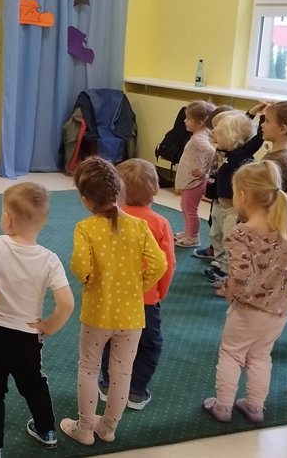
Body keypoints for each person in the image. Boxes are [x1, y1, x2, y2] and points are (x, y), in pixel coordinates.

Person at [60, 156, 167, 446]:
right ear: (119, 192)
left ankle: (84, 428)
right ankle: (107, 428)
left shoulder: (86, 228)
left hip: (97, 314)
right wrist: (140, 286)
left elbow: (79, 264)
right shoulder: (139, 226)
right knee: (122, 372)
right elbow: (159, 264)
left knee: (89, 368)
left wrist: (89, 280)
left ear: (85, 199)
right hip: (132, 316)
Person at [203, 161, 287, 424]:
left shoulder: (239, 234)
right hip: (278, 309)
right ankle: (255, 407)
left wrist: (229, 291)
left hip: (247, 311)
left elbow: (241, 278)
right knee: (260, 356)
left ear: (243, 195)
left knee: (232, 353)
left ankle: (223, 406)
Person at [0, 182, 74, 458]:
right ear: (43, 220)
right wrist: (49, 326)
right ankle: (47, 431)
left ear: (7, 218)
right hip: (27, 338)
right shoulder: (49, 260)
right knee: (34, 383)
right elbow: (66, 303)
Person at [98, 159, 176, 411]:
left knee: (111, 341)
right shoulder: (160, 224)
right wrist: (160, 292)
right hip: (146, 299)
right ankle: (135, 390)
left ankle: (108, 385)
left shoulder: (107, 219)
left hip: (111, 298)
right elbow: (166, 263)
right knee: (149, 344)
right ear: (156, 189)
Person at [200, 111, 256, 284]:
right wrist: (251, 113)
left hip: (232, 210)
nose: (214, 133)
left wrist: (261, 124)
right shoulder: (224, 151)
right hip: (219, 205)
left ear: (232, 138)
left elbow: (252, 141)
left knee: (229, 239)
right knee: (215, 234)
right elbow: (240, 125)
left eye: (220, 132)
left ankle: (228, 270)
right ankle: (221, 263)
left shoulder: (238, 156)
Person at [192, 106, 236, 262]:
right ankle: (216, 252)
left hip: (226, 200)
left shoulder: (235, 153)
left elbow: (245, 131)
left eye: (217, 129)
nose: (212, 132)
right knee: (214, 225)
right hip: (215, 194)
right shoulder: (220, 147)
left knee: (224, 231)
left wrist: (253, 114)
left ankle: (223, 261)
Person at [175, 100, 217, 248]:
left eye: (188, 118)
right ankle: (188, 232)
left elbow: (210, 151)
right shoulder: (198, 135)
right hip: (191, 180)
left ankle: (193, 237)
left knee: (190, 209)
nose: (185, 121)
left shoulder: (199, 138)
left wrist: (204, 170)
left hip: (195, 182)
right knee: (185, 206)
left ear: (199, 123)